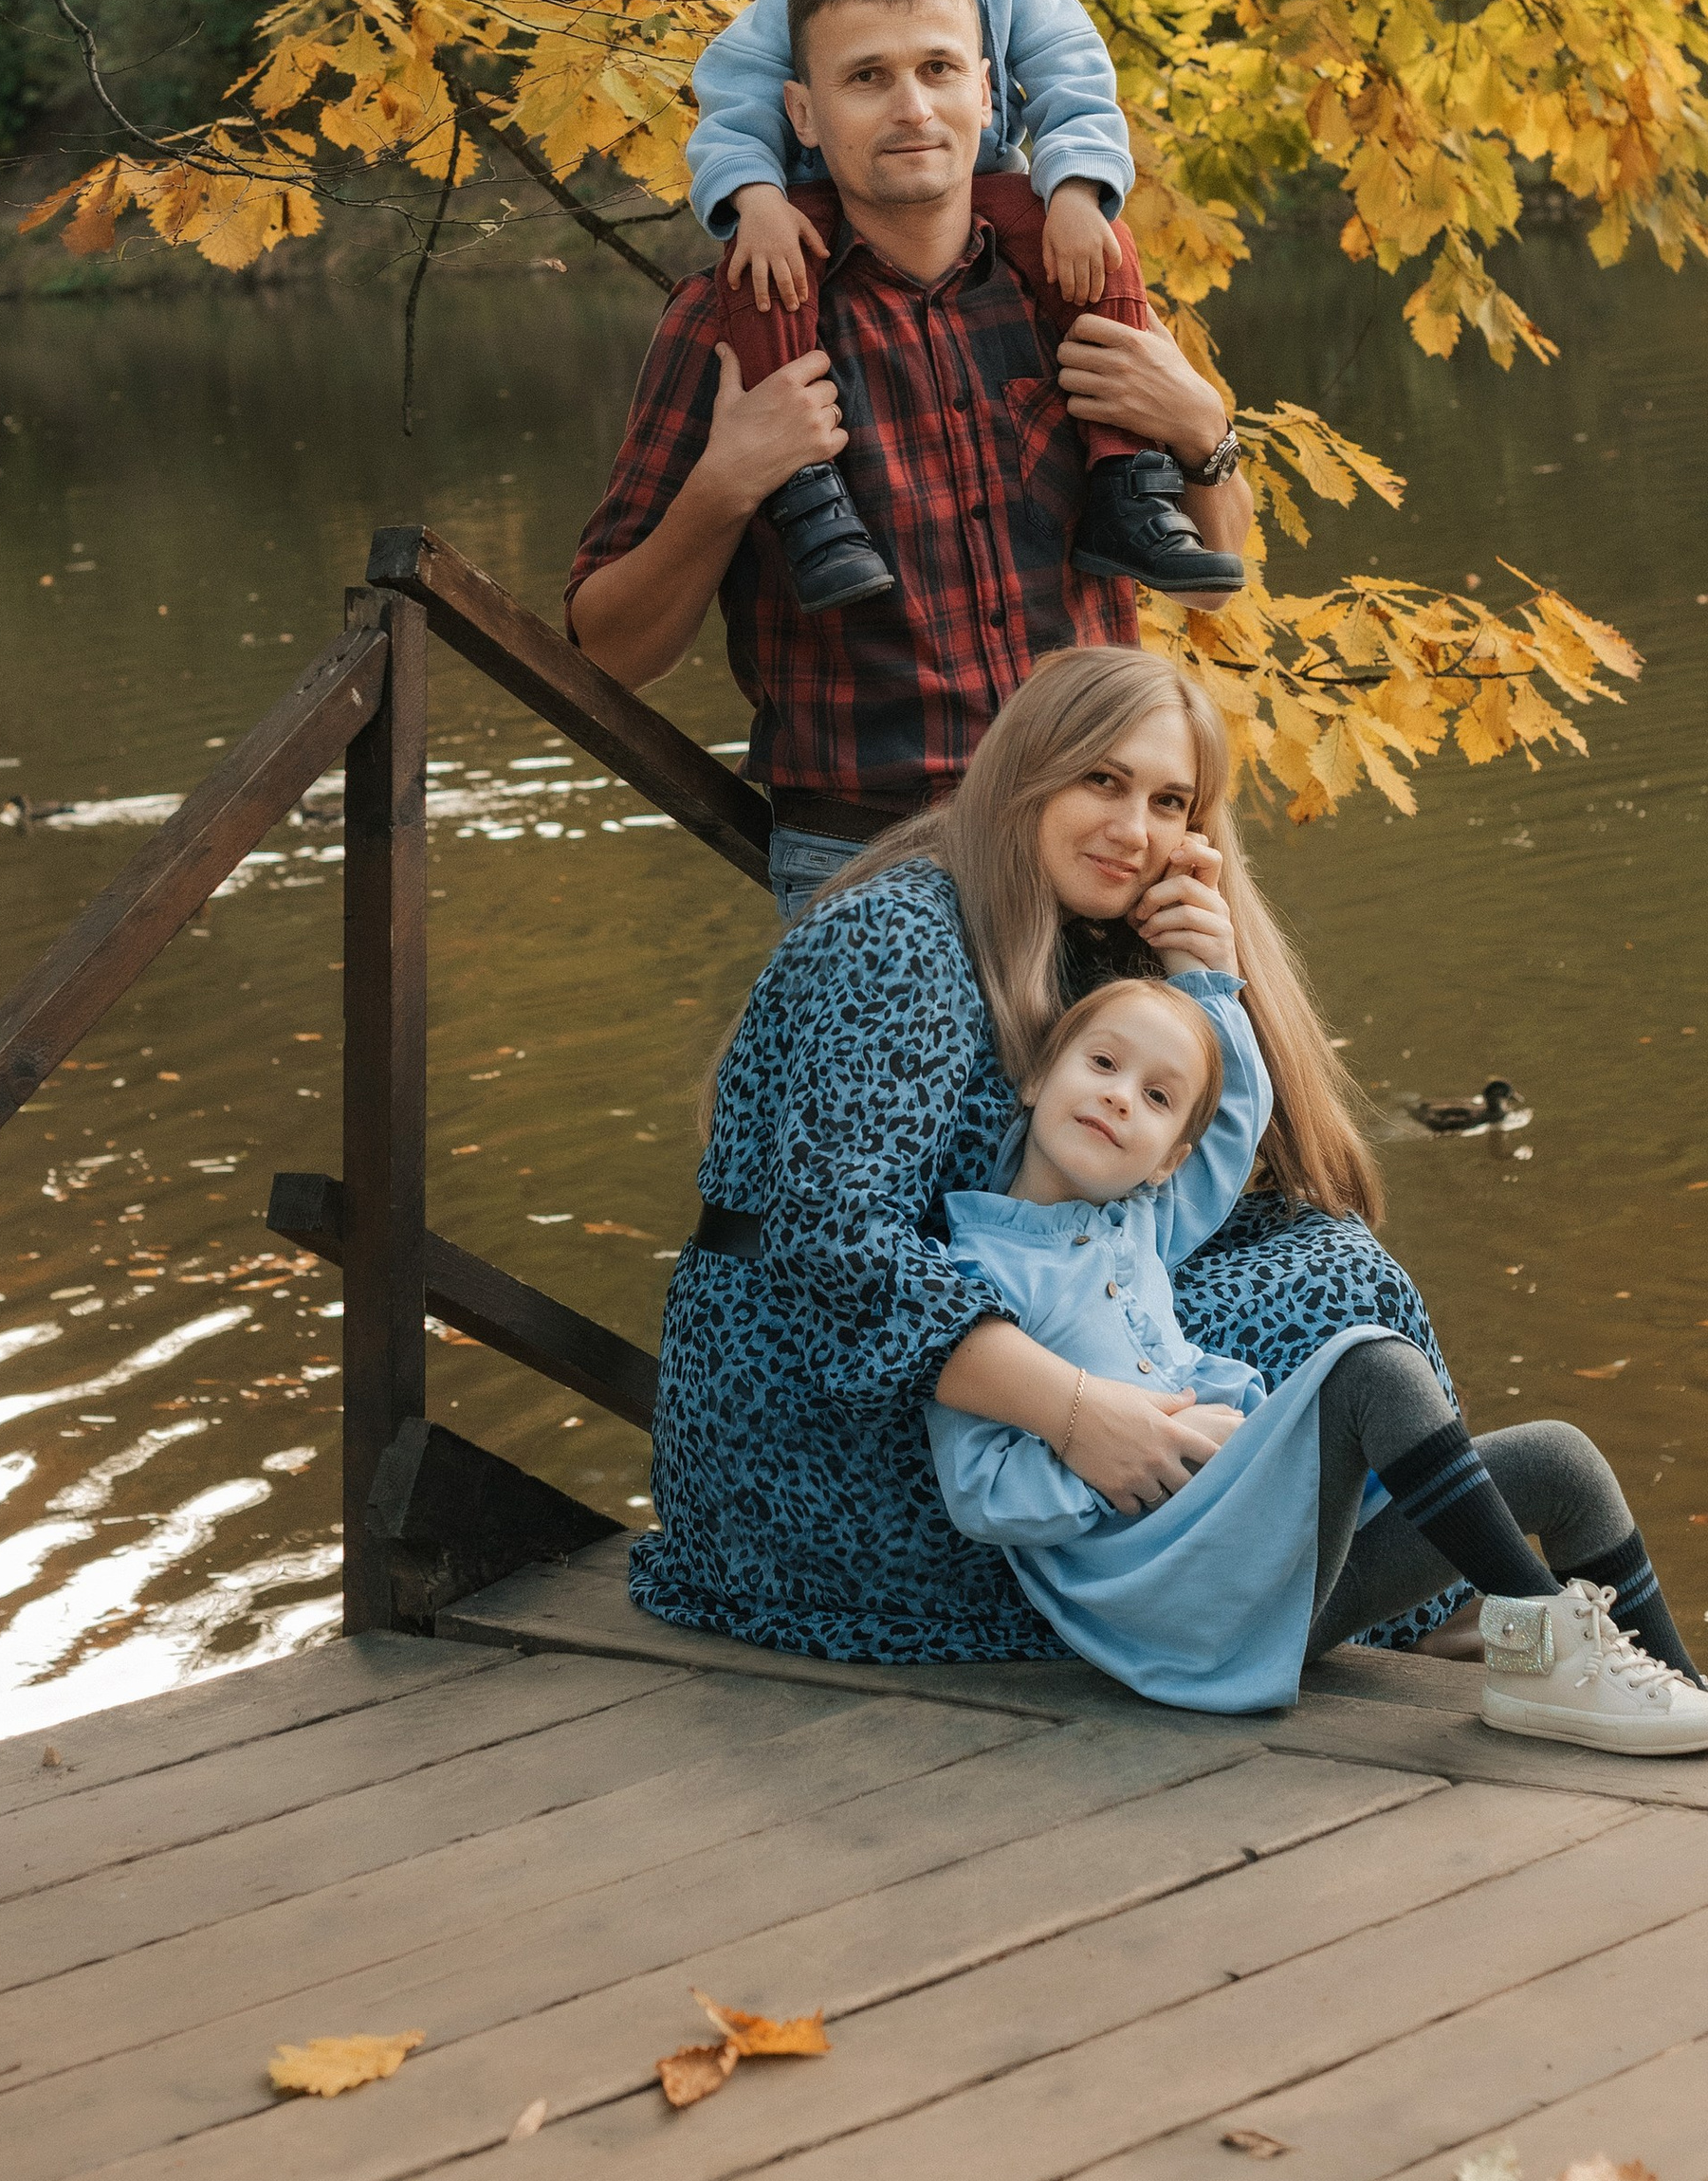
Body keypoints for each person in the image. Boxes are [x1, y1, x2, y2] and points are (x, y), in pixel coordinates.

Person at [629, 646, 1480, 1670]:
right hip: (802, 1439)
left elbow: (1196, 1196)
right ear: (1026, 767)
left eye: (1169, 802)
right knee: (1335, 1297)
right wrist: (1081, 1416)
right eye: (1102, 780)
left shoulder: (1075, 932)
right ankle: (1433, 1613)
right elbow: (834, 1251)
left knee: (1321, 1258)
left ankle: (1428, 1604)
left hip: (960, 1362)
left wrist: (1209, 978)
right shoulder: (901, 936)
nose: (1134, 831)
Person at [569, 0, 1256, 921]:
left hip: (1099, 846)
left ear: (986, 90)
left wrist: (1202, 430)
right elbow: (608, 650)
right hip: (870, 858)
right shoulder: (735, 320)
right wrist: (729, 481)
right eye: (867, 77)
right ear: (803, 113)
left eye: (937, 69)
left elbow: (1214, 582)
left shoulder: (1072, 281)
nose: (912, 109)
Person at [924, 975, 1708, 1748]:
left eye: (1156, 1097)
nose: (1119, 1095)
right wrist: (1136, 1450)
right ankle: (1551, 1656)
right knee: (1370, 1369)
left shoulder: (1138, 1221)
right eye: (1103, 1063)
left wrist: (1206, 976)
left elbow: (1232, 1121)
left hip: (1276, 1577)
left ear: (1168, 1159)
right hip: (1182, 1606)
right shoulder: (975, 1277)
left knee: (1561, 1462)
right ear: (1036, 1077)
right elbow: (979, 1487)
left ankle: (1680, 1685)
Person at [685, 0, 1239, 613]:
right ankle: (805, 490)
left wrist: (1075, 189)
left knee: (1105, 246)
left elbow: (1073, 75)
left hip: (985, 184)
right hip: (827, 193)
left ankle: (1127, 478)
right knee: (765, 270)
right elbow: (737, 93)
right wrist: (753, 196)